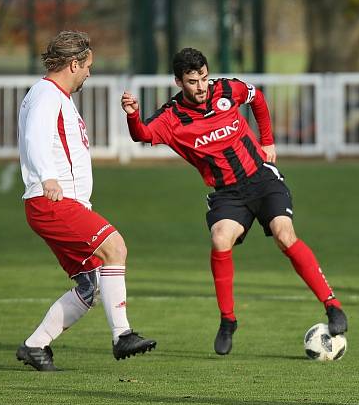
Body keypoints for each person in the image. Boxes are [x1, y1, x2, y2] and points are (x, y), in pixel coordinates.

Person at [120, 48, 347, 355]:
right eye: (192, 81)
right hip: (227, 194)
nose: (201, 86)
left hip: (262, 180)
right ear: (178, 82)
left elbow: (258, 99)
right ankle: (228, 320)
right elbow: (142, 134)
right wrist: (133, 114)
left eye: (203, 77)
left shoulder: (228, 89)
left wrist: (267, 140)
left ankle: (332, 305)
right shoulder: (171, 117)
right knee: (220, 238)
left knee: (284, 233)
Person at [16, 30, 157, 371]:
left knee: (90, 286)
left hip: (64, 203)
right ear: (74, 63)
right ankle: (122, 335)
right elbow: (36, 137)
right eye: (88, 66)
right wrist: (47, 176)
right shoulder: (47, 95)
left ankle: (35, 346)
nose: (89, 74)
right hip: (52, 201)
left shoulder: (55, 96)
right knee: (116, 247)